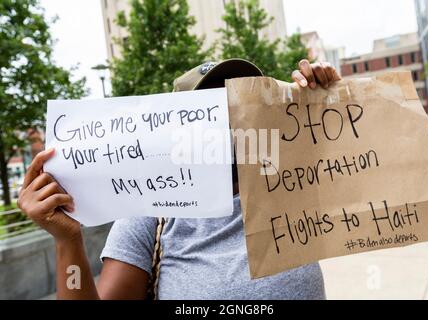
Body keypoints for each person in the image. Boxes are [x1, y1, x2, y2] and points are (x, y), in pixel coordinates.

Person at [18, 59, 341, 300]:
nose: (233, 115)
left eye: (244, 98)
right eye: (212, 108)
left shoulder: (292, 180)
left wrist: (338, 99)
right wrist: (67, 242)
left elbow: (357, 155)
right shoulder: (151, 214)